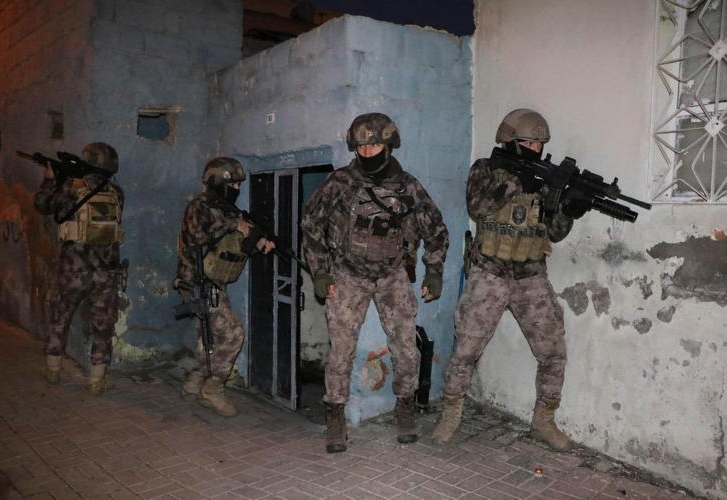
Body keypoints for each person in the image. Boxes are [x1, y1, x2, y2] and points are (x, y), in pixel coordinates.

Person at [432, 108, 579, 451]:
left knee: (553, 351)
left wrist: (567, 209)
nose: (535, 149)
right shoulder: (486, 169)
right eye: (528, 143)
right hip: (490, 272)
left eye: (539, 144)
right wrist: (514, 183)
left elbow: (554, 233)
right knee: (466, 349)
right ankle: (450, 415)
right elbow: (477, 207)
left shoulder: (546, 180)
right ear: (510, 141)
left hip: (531, 275)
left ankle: (544, 420)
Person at [301, 112, 449, 453]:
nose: (367, 152)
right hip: (348, 274)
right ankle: (335, 413)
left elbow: (436, 230)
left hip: (392, 275)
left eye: (375, 145)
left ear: (389, 145)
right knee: (341, 351)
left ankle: (405, 405)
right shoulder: (340, 182)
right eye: (361, 146)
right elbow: (311, 223)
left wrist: (434, 271)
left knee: (406, 349)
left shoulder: (408, 186)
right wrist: (320, 271)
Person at [173, 157, 274, 417]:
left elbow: (230, 245)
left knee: (210, 337)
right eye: (234, 185)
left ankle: (194, 382)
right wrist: (234, 225)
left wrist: (257, 241)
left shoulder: (226, 210)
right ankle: (213, 389)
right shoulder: (199, 206)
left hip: (214, 281)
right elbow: (197, 237)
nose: (237, 189)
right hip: (198, 282)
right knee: (232, 334)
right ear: (218, 183)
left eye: (239, 185)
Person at [34, 142, 124, 395]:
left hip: (73, 270)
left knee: (59, 318)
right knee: (102, 326)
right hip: (105, 271)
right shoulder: (117, 192)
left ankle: (53, 370)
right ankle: (96, 379)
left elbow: (42, 205)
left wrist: (50, 179)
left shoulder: (71, 187)